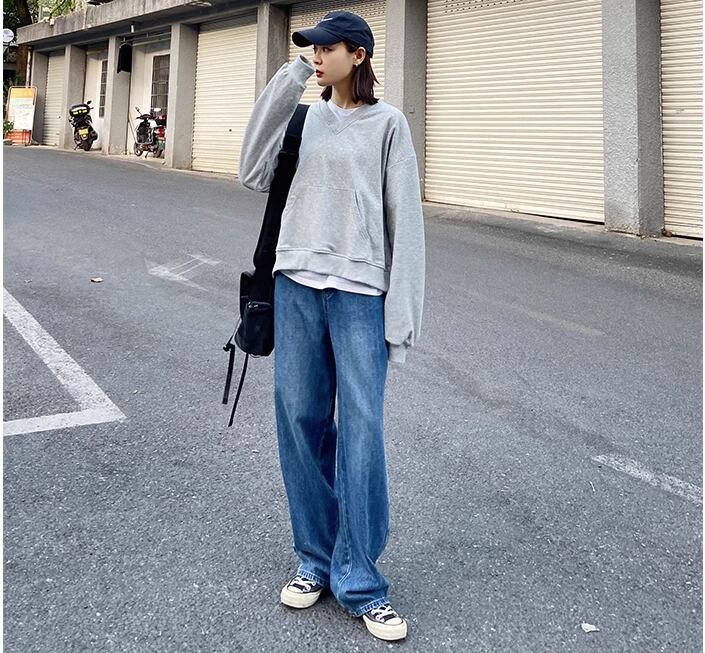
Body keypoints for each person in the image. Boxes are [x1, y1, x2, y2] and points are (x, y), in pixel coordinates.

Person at [238, 9, 425, 642]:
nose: (316, 57)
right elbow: (250, 170)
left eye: (326, 48)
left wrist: (401, 319)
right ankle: (315, 559)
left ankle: (362, 580)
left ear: (359, 55)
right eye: (311, 49)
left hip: (359, 296)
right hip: (294, 285)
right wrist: (291, 76)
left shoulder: (389, 124)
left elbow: (406, 224)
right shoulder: (302, 118)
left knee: (362, 433)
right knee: (299, 422)